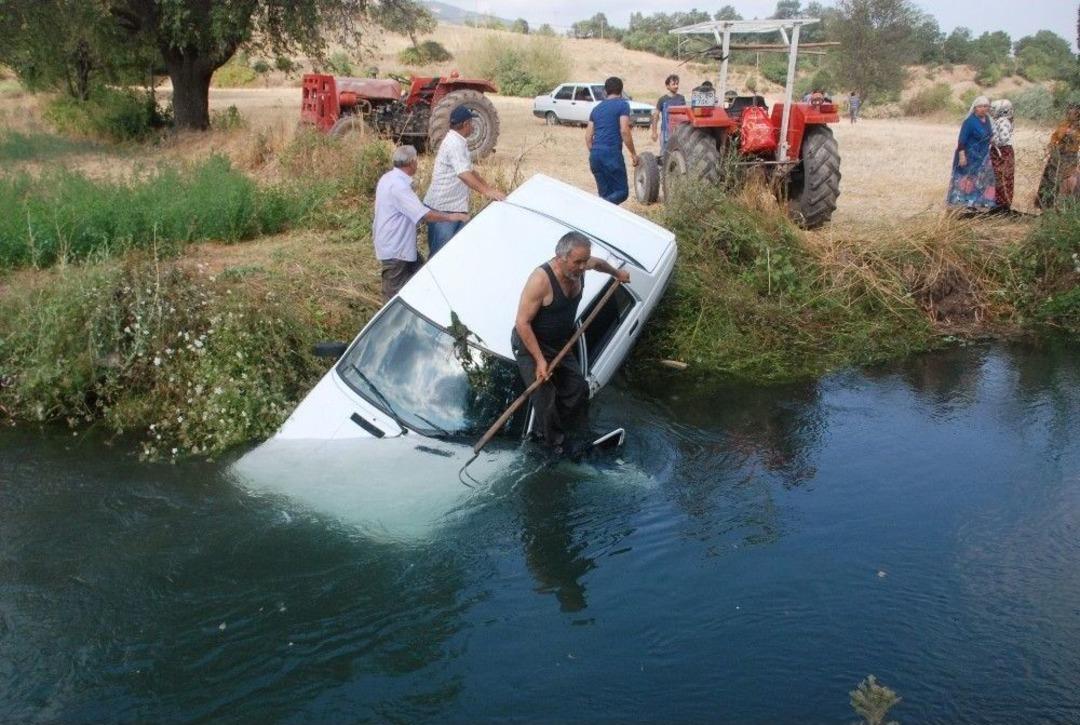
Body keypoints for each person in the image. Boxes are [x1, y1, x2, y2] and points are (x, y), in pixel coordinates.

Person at [511, 231, 630, 452]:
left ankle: (574, 434)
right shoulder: (540, 280)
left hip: (558, 344)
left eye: (585, 261)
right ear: (560, 258)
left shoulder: (580, 267)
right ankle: (551, 445)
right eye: (578, 262)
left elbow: (599, 264)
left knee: (577, 387)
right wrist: (539, 361)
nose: (583, 267)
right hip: (531, 345)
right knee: (546, 400)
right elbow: (522, 323)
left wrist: (616, 273)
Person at [373, 145, 469, 301]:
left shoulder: (388, 178)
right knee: (392, 296)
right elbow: (424, 215)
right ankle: (390, 322)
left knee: (423, 278)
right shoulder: (399, 187)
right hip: (395, 249)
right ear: (412, 162)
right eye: (416, 160)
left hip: (398, 245)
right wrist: (452, 217)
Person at [423, 104, 505, 256]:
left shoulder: (459, 141)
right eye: (471, 123)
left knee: (453, 251)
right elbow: (463, 174)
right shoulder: (454, 143)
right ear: (465, 124)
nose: (473, 127)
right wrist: (487, 192)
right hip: (444, 207)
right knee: (440, 254)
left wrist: (490, 189)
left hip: (454, 206)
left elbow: (470, 171)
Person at [586, 76, 639, 205]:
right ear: (621, 91)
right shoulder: (622, 105)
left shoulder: (596, 109)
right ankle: (596, 207)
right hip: (611, 154)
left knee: (605, 194)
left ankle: (602, 210)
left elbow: (588, 137)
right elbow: (624, 131)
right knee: (622, 192)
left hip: (595, 155)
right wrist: (633, 153)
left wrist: (595, 152)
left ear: (605, 91)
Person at [946, 96, 997, 212]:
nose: (983, 109)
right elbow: (961, 140)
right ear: (975, 108)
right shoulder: (969, 122)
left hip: (983, 155)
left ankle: (976, 202)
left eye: (985, 106)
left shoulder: (988, 120)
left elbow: (988, 135)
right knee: (968, 178)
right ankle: (964, 203)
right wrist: (962, 156)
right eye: (980, 106)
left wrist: (991, 140)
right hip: (969, 155)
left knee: (981, 178)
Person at [1036, 102, 1080, 210]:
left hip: (1070, 157)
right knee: (1051, 181)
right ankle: (1047, 206)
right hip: (1057, 156)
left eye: (1072, 112)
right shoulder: (1064, 124)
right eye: (1068, 112)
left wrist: (1073, 135)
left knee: (1067, 182)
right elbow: (1055, 137)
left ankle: (1066, 208)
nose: (1069, 114)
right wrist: (1051, 146)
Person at [989, 99, 1015, 213]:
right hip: (1000, 151)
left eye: (994, 109)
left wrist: (991, 140)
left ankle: (1002, 205)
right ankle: (997, 204)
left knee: (1002, 177)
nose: (991, 111)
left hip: (1002, 152)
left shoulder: (1003, 121)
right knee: (997, 177)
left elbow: (1003, 140)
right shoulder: (1000, 120)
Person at [651, 74, 685, 156]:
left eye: (677, 84)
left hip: (679, 132)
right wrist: (654, 132)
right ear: (667, 86)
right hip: (665, 132)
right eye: (673, 84)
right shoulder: (662, 100)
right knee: (664, 155)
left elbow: (684, 114)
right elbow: (655, 116)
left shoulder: (681, 98)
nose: (676, 86)